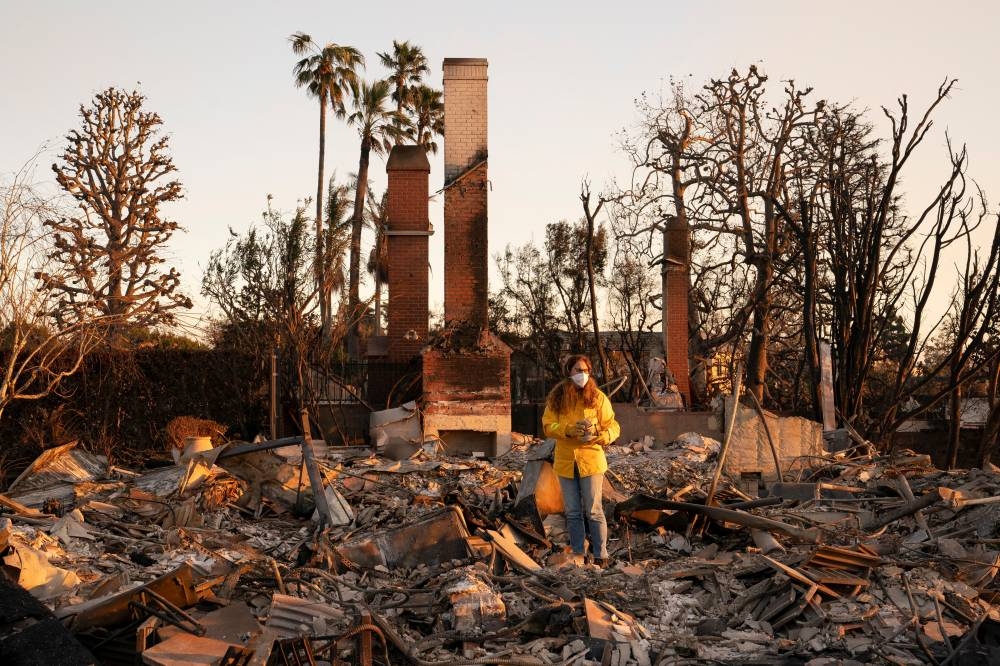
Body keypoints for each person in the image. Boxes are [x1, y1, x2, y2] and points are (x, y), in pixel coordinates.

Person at [542, 354, 620, 565]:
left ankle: (601, 554)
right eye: (578, 370)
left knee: (594, 510)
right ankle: (578, 552)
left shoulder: (598, 397)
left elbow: (613, 425)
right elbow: (548, 426)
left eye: (586, 370)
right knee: (573, 511)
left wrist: (604, 437)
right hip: (566, 461)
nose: (582, 375)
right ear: (569, 372)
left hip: (591, 460)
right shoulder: (558, 398)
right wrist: (567, 430)